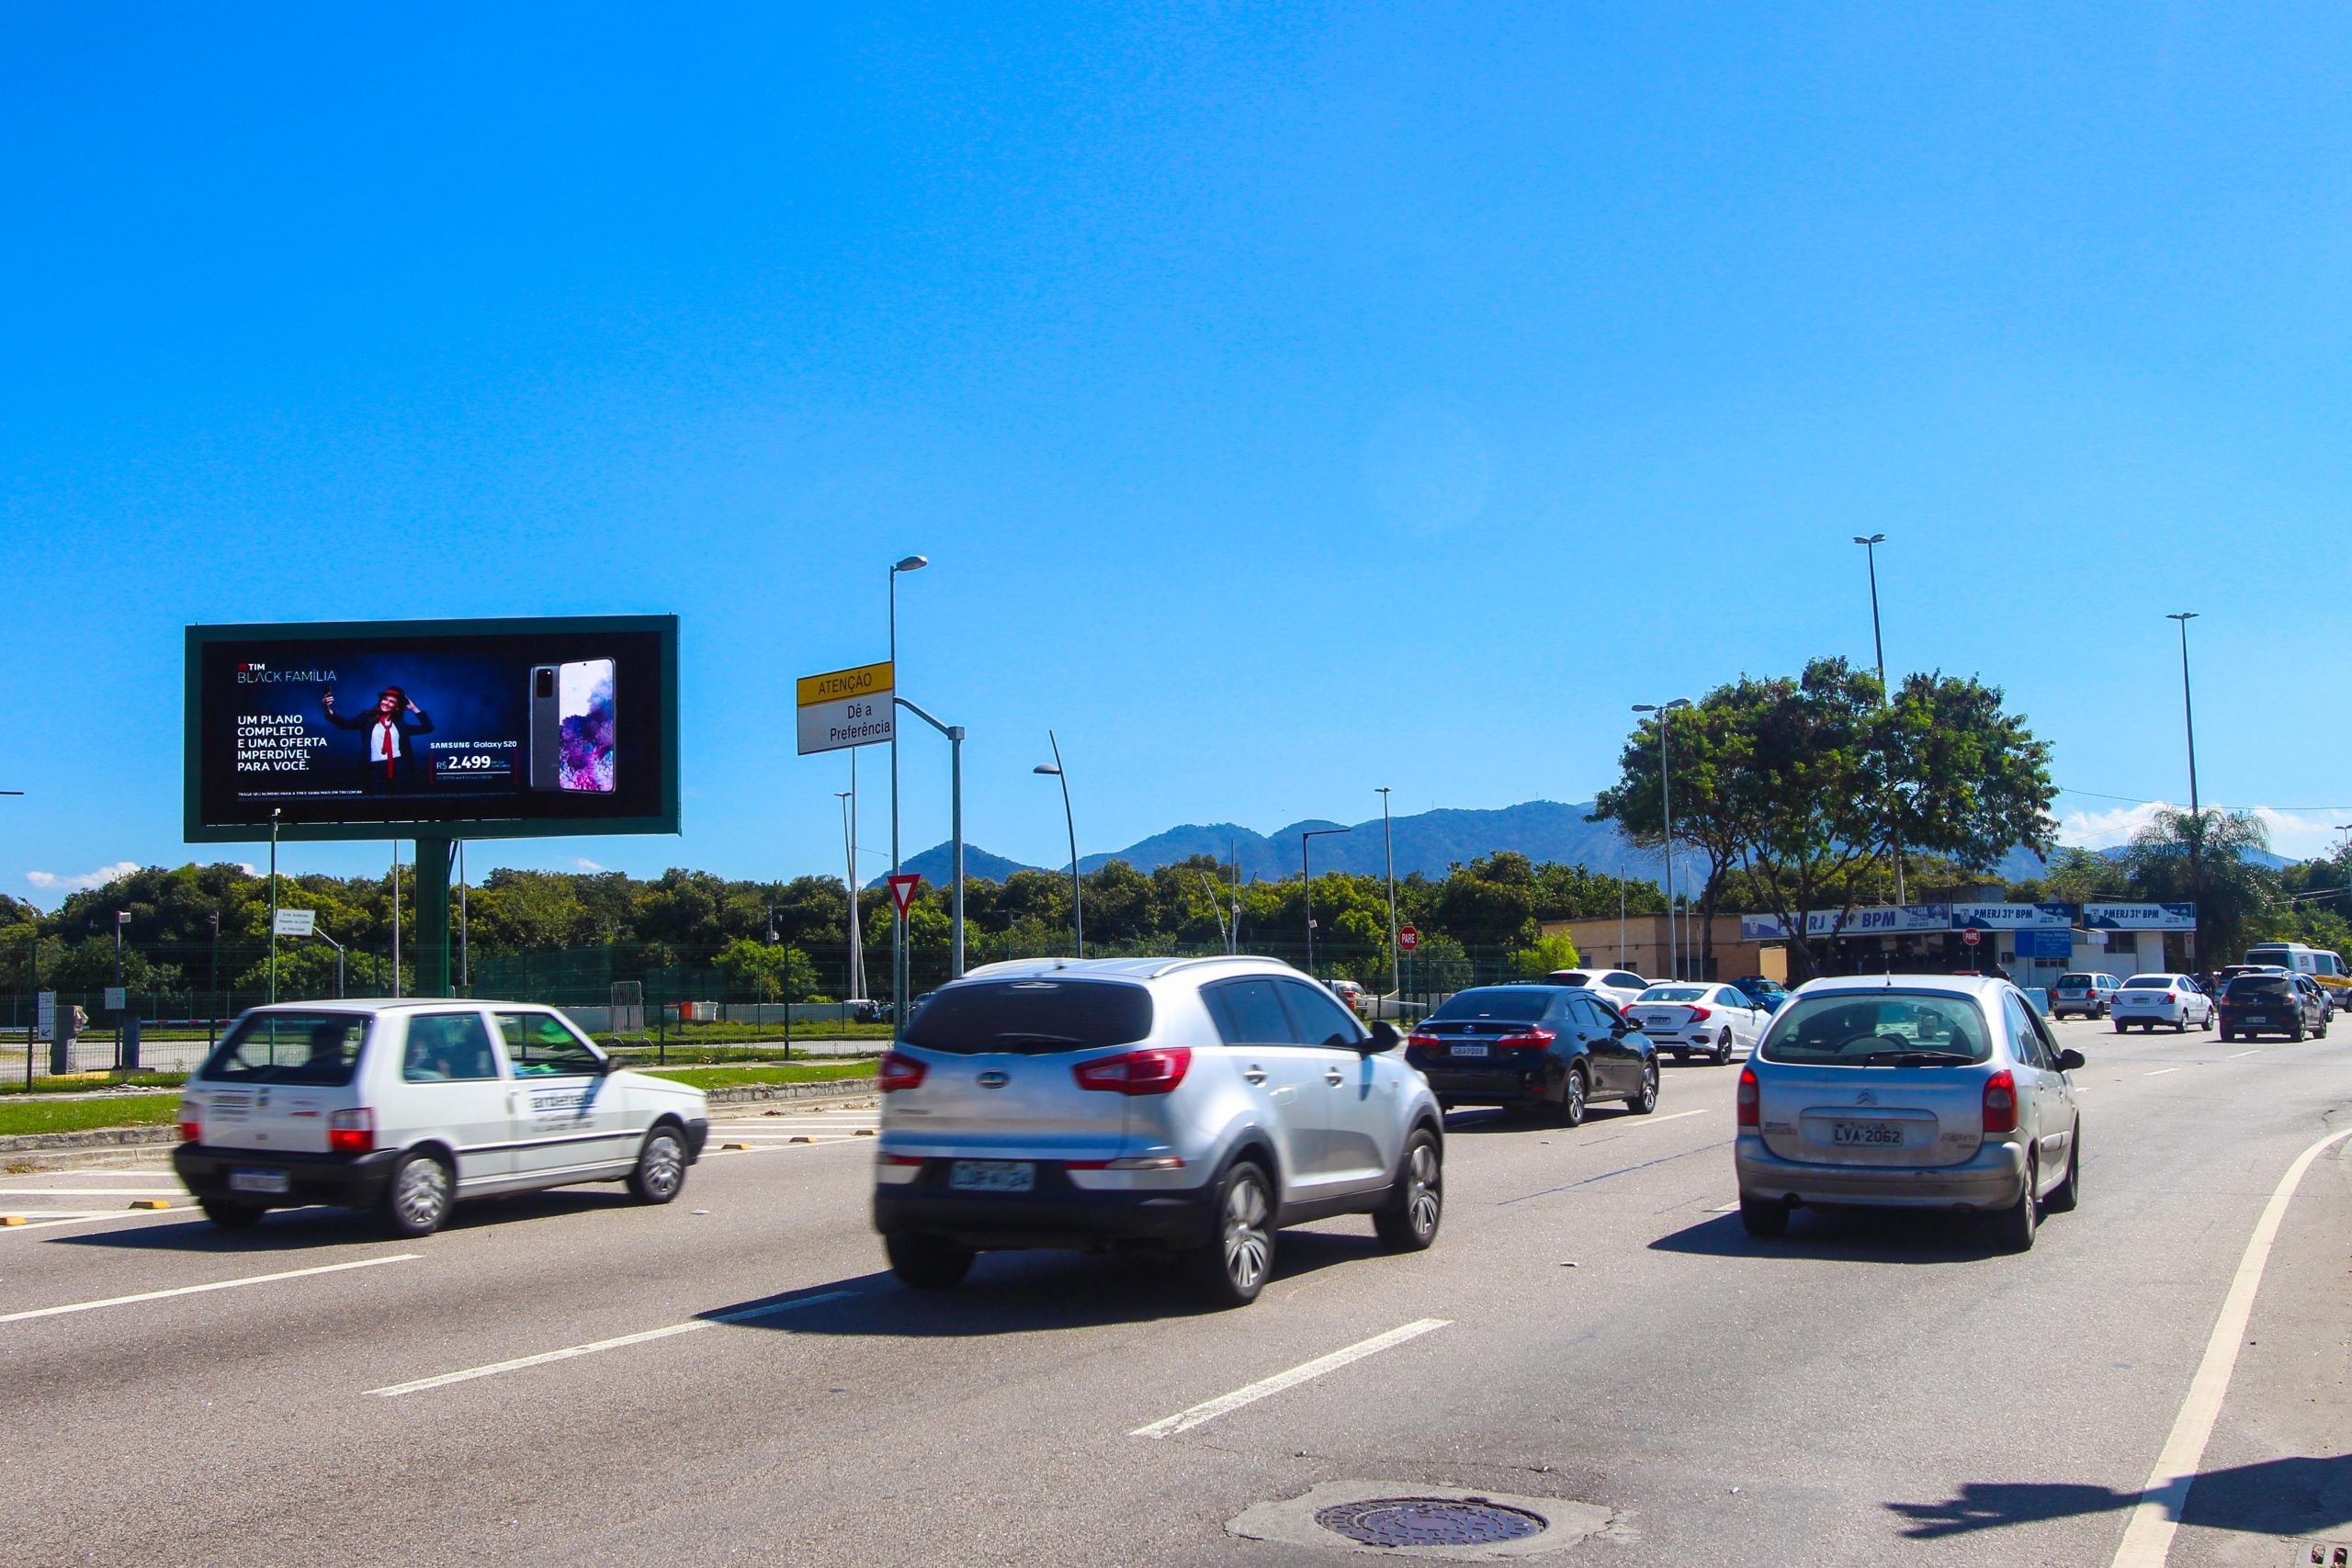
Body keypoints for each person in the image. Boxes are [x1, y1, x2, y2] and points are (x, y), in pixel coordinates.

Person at [323, 685, 434, 793]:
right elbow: (344, 724)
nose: (386, 703)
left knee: (398, 802)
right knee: (377, 801)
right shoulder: (367, 719)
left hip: (398, 768)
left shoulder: (400, 725)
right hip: (374, 769)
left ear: (397, 707)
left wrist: (414, 708)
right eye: (385, 699)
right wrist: (327, 708)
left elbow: (428, 728)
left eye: (391, 701)